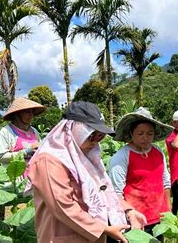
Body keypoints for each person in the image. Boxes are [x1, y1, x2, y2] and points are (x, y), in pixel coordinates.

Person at [26, 101, 139, 243]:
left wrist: (128, 210)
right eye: (92, 135)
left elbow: (104, 191)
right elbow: (62, 206)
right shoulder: (49, 161)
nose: (95, 142)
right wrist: (102, 229)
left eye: (100, 136)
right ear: (76, 130)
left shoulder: (85, 156)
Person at [109, 107, 173, 235]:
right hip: (135, 218)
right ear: (131, 133)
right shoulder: (122, 156)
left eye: (149, 133)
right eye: (140, 133)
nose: (145, 137)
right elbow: (116, 192)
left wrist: (168, 209)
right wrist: (128, 214)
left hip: (158, 216)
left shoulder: (158, 152)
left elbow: (165, 182)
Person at [0, 97, 46, 165]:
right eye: (27, 112)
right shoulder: (6, 132)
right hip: (15, 174)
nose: (31, 115)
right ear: (17, 114)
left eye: (32, 112)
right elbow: (0, 157)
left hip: (34, 173)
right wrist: (26, 152)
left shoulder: (34, 131)